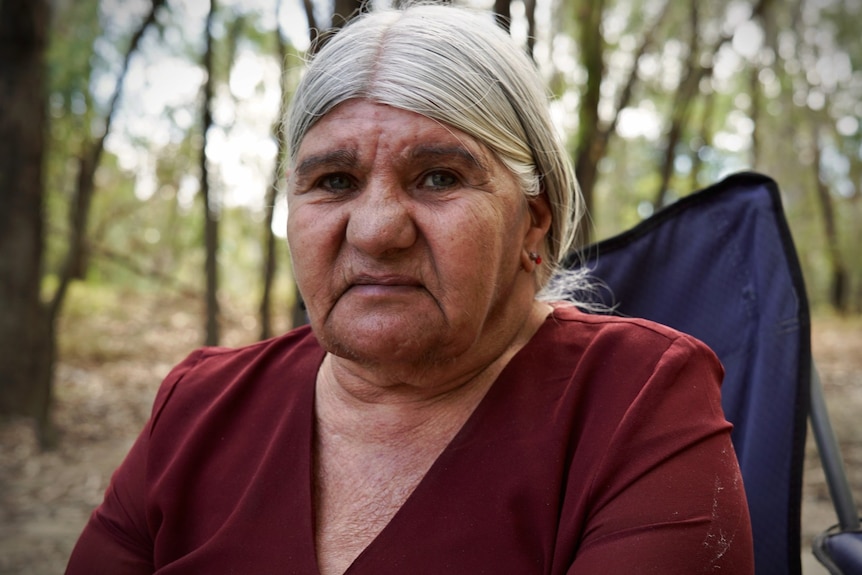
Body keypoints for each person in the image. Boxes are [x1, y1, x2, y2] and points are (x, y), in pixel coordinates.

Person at [65, 4, 754, 574]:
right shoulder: (198, 407)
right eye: (333, 181)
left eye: (438, 177)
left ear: (530, 224)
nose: (375, 230)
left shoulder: (638, 400)